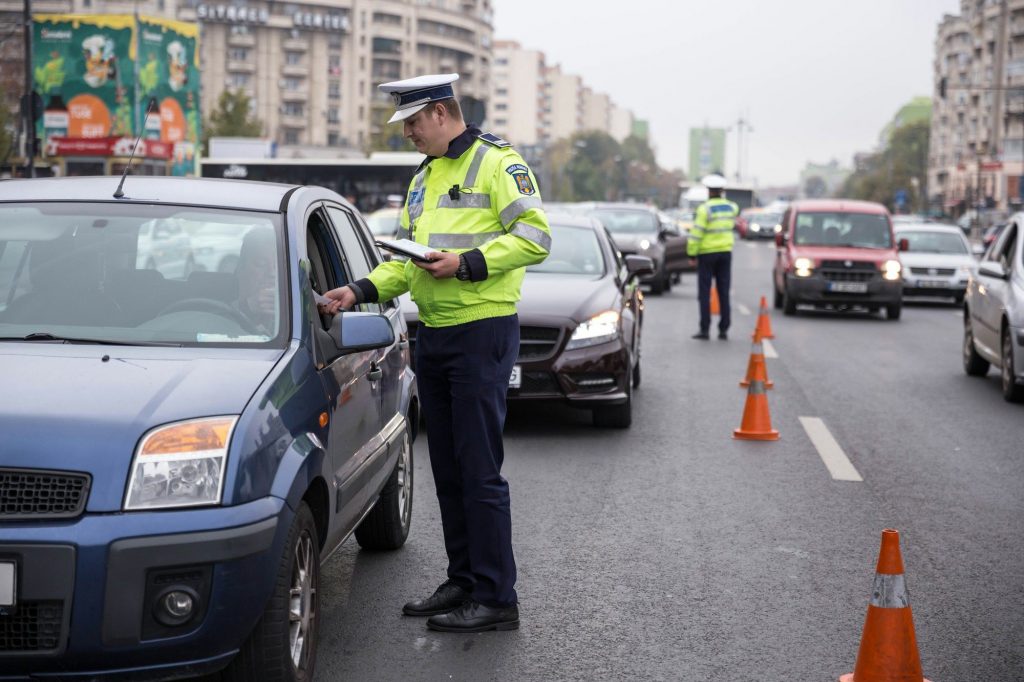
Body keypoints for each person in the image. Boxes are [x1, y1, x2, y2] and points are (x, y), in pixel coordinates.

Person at [321, 73, 551, 633]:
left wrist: (467, 264)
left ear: (443, 112)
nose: (408, 134)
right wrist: (358, 290)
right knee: (447, 468)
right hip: (438, 335)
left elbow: (536, 237)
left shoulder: (501, 163)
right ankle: (464, 581)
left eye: (414, 123)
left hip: (481, 332)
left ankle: (497, 598)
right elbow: (404, 259)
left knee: (479, 471)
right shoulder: (423, 177)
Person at [687, 174, 738, 340]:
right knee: (723, 291)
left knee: (704, 293)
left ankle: (705, 329)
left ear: (708, 191)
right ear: (722, 191)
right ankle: (724, 329)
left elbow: (696, 234)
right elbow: (734, 213)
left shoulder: (704, 209)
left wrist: (691, 253)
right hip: (725, 253)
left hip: (707, 254)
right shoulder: (731, 208)